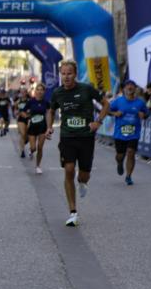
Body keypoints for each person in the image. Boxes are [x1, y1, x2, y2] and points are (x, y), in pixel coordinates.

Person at [47, 60, 110, 227]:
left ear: (75, 74)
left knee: (83, 175)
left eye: (69, 73)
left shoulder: (86, 89)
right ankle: (73, 212)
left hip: (86, 137)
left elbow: (106, 104)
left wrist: (98, 122)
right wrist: (49, 127)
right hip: (67, 137)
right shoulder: (57, 93)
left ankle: (83, 182)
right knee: (68, 169)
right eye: (63, 73)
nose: (66, 77)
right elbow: (51, 110)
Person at [109, 79, 149, 185]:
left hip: (134, 133)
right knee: (120, 155)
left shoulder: (140, 102)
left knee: (131, 153)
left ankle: (128, 176)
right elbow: (108, 110)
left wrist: (143, 115)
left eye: (132, 86)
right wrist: (115, 113)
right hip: (120, 134)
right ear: (124, 89)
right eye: (128, 86)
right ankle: (120, 162)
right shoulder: (118, 101)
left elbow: (147, 113)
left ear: (135, 88)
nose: (130, 87)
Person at [22, 82, 50, 174]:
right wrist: (26, 116)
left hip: (42, 127)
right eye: (38, 89)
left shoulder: (46, 102)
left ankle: (38, 166)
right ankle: (31, 151)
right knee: (34, 148)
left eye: (41, 90)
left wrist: (49, 127)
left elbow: (49, 114)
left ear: (44, 92)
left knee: (40, 147)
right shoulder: (31, 101)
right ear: (35, 91)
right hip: (32, 127)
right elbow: (23, 111)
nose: (39, 91)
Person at [15, 86, 31, 158]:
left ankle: (26, 141)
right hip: (21, 119)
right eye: (22, 92)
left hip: (28, 118)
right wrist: (17, 112)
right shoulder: (18, 101)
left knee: (27, 136)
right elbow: (15, 110)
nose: (23, 93)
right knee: (23, 134)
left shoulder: (30, 101)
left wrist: (28, 113)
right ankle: (22, 151)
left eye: (24, 92)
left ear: (26, 92)